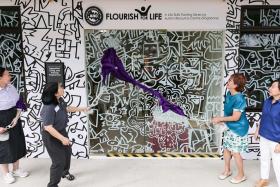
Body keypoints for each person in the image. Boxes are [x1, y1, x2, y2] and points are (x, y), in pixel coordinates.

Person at [40, 82, 88, 187]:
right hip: (50, 135)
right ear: (55, 93)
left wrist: (82, 109)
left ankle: (65, 172)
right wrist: (62, 138)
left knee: (67, 153)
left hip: (61, 131)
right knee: (58, 161)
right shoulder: (49, 107)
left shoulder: (59, 100)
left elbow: (66, 108)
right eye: (60, 87)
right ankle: (52, 185)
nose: (63, 88)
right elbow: (48, 127)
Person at [212, 73, 249, 184]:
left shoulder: (239, 99)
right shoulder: (229, 93)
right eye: (228, 80)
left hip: (239, 128)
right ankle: (227, 170)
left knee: (235, 152)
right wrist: (222, 122)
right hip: (230, 126)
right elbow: (229, 113)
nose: (227, 82)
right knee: (227, 149)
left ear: (236, 85)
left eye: (230, 81)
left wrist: (220, 119)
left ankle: (241, 175)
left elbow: (236, 117)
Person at [0, 67, 29, 184]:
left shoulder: (11, 87)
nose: (10, 76)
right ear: (0, 77)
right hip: (1, 120)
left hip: (14, 117)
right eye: (7, 75)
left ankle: (16, 169)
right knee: (4, 147)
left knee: (17, 143)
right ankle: (6, 173)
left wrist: (17, 118)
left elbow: (19, 103)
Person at [254, 79, 280, 187]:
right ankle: (264, 179)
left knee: (277, 165)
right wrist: (257, 130)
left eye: (273, 87)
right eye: (270, 86)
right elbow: (263, 117)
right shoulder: (267, 101)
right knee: (264, 159)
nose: (270, 88)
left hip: (276, 139)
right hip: (264, 135)